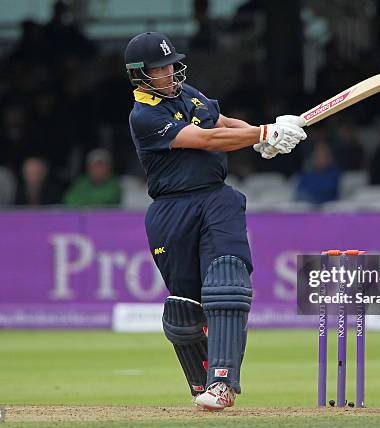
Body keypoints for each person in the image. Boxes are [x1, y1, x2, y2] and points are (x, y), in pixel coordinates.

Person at [125, 32, 306, 411]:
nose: (171, 71)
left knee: (226, 282)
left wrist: (261, 135)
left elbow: (221, 122)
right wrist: (262, 133)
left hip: (215, 198)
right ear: (140, 75)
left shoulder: (188, 94)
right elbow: (206, 139)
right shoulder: (145, 115)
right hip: (170, 210)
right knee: (183, 311)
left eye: (172, 63)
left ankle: (222, 384)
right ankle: (201, 383)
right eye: (161, 67)